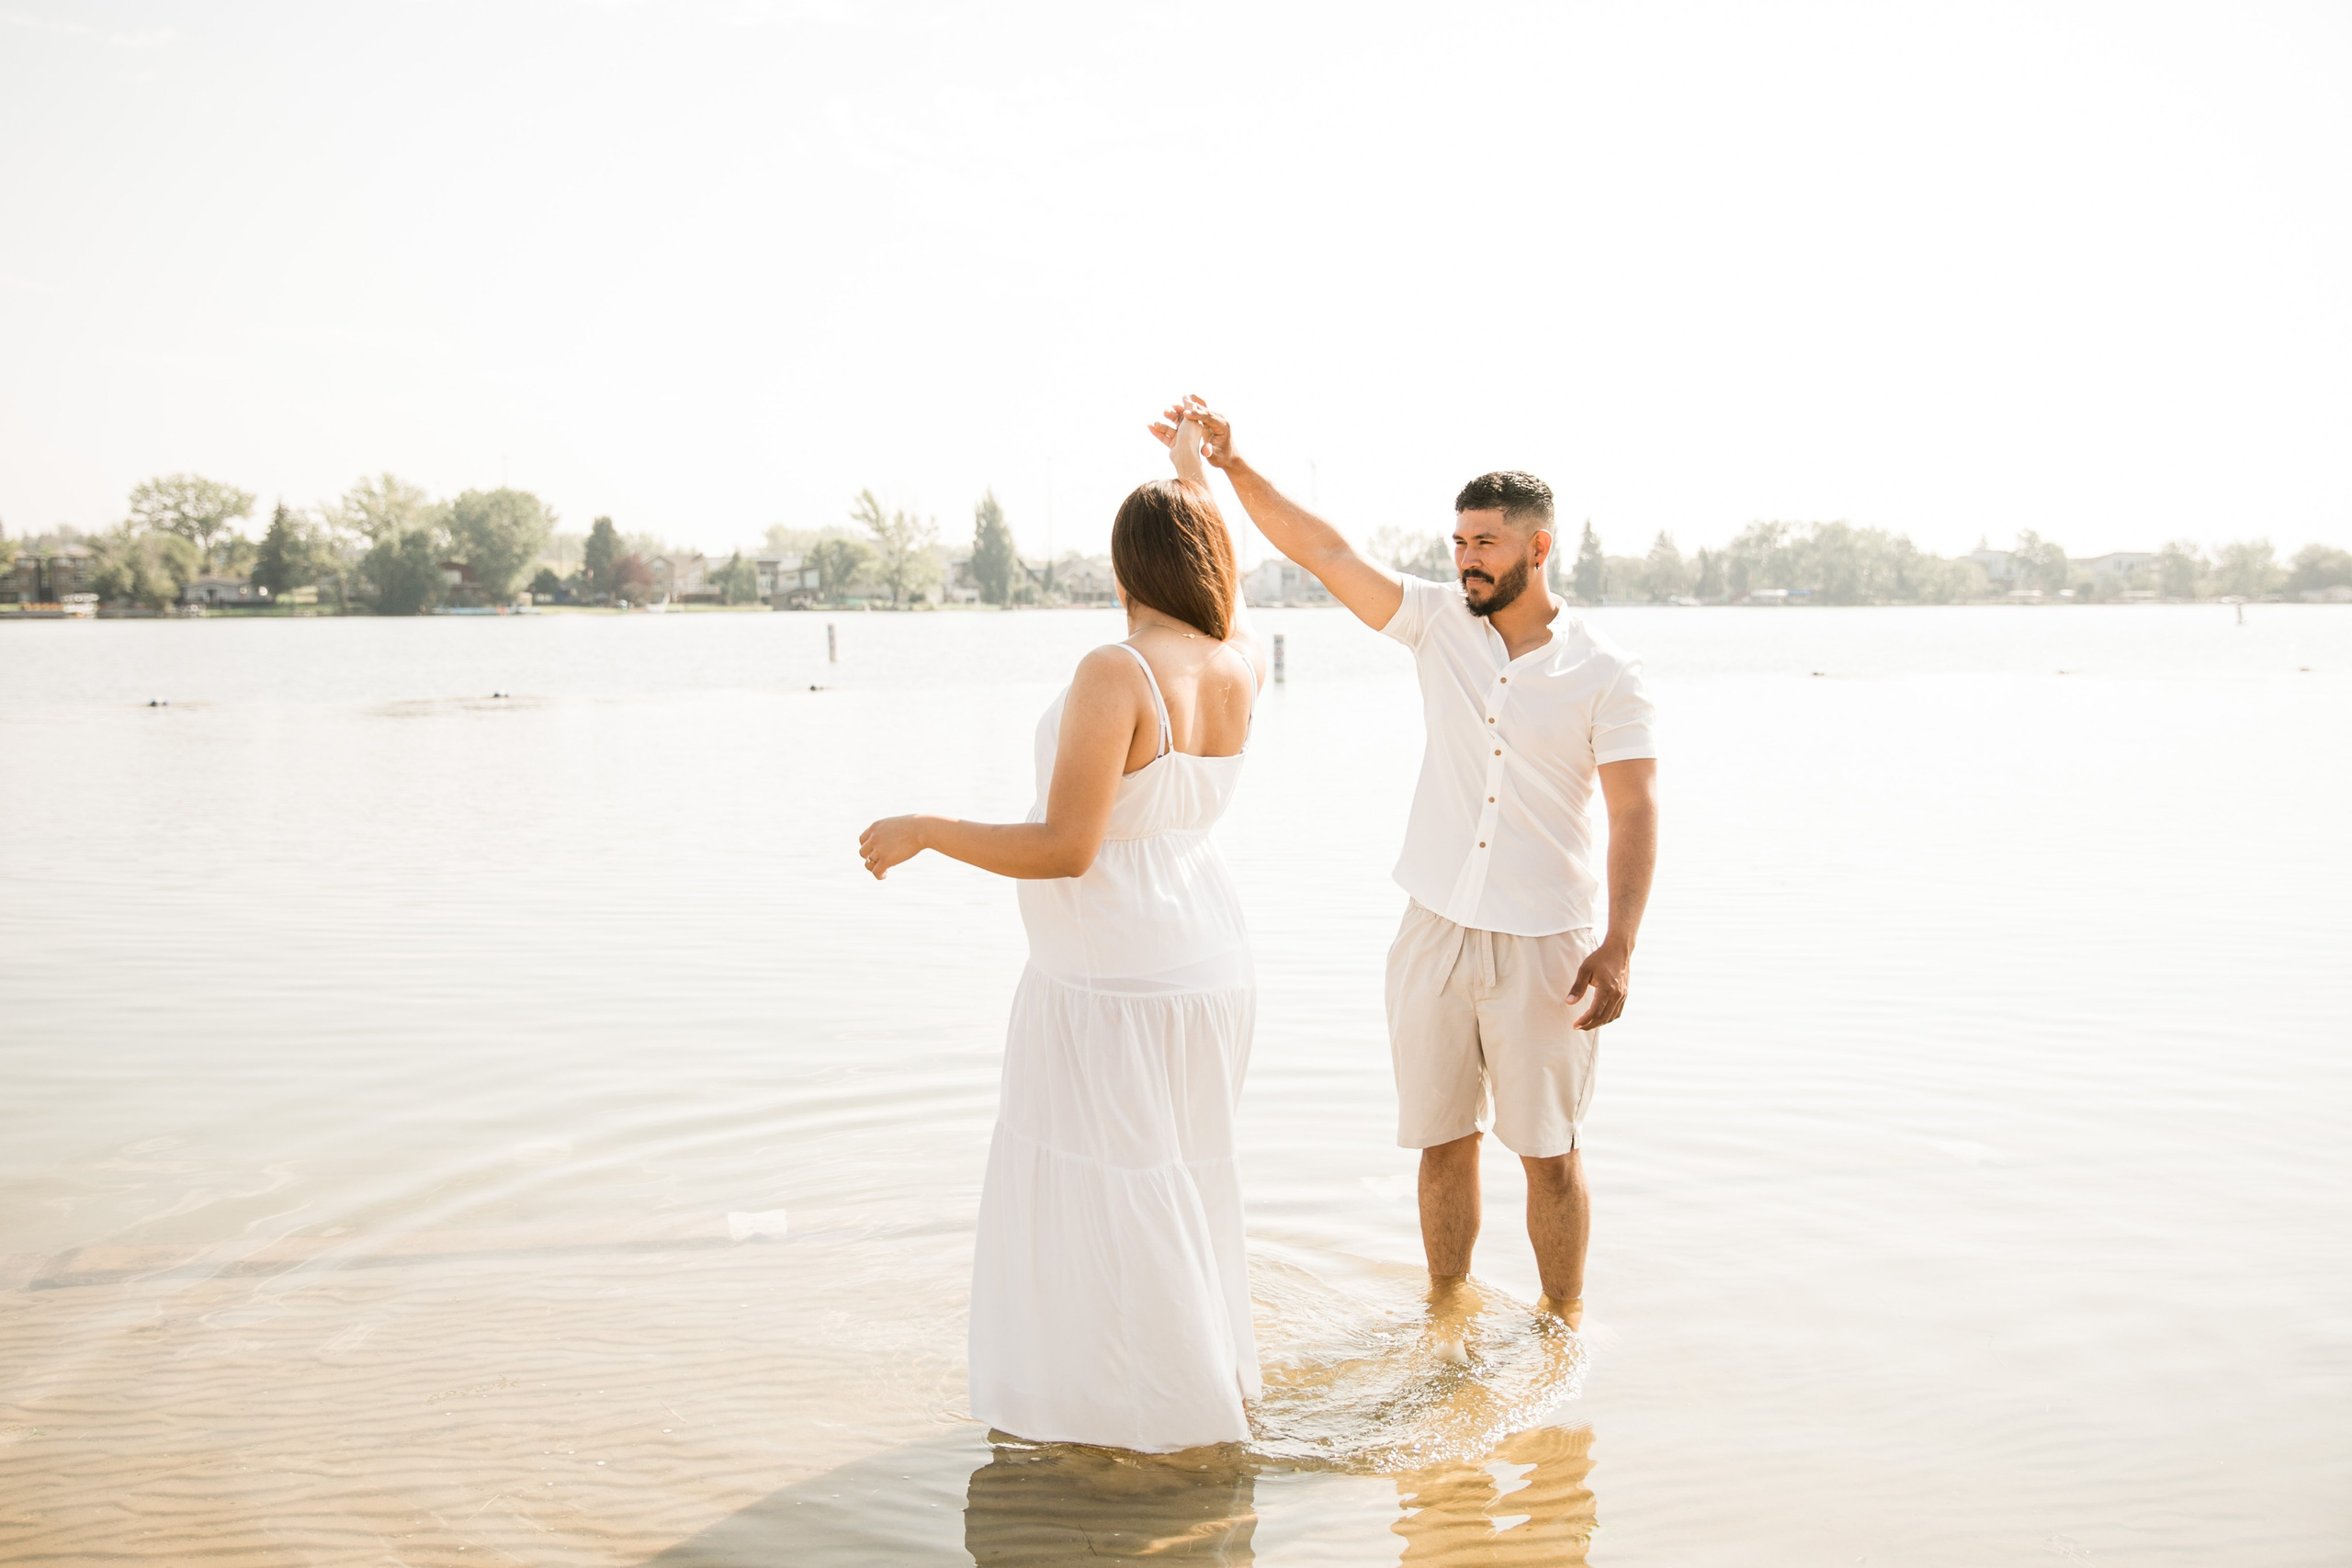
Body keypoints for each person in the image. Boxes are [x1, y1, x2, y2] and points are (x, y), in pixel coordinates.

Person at [1151, 396, 1658, 1325]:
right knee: (1441, 1141)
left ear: (1538, 548)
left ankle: (1563, 1328)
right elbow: (1325, 551)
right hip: (1432, 931)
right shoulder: (1435, 622)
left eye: (1485, 543)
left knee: (1549, 1153)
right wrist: (1232, 465)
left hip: (1548, 943)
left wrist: (1620, 943)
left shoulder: (1607, 672)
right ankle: (1445, 1318)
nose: (1466, 559)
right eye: (1459, 542)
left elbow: (1634, 812)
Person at [857, 416, 1266, 1451]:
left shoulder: (1113, 671)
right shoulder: (1237, 661)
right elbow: (1231, 586)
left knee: (1102, 1191)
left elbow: (1066, 848)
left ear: (1122, 568)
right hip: (1210, 963)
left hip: (1109, 976)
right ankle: (1203, 1394)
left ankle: (1141, 1419)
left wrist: (927, 829)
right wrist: (1196, 478)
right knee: (1179, 1175)